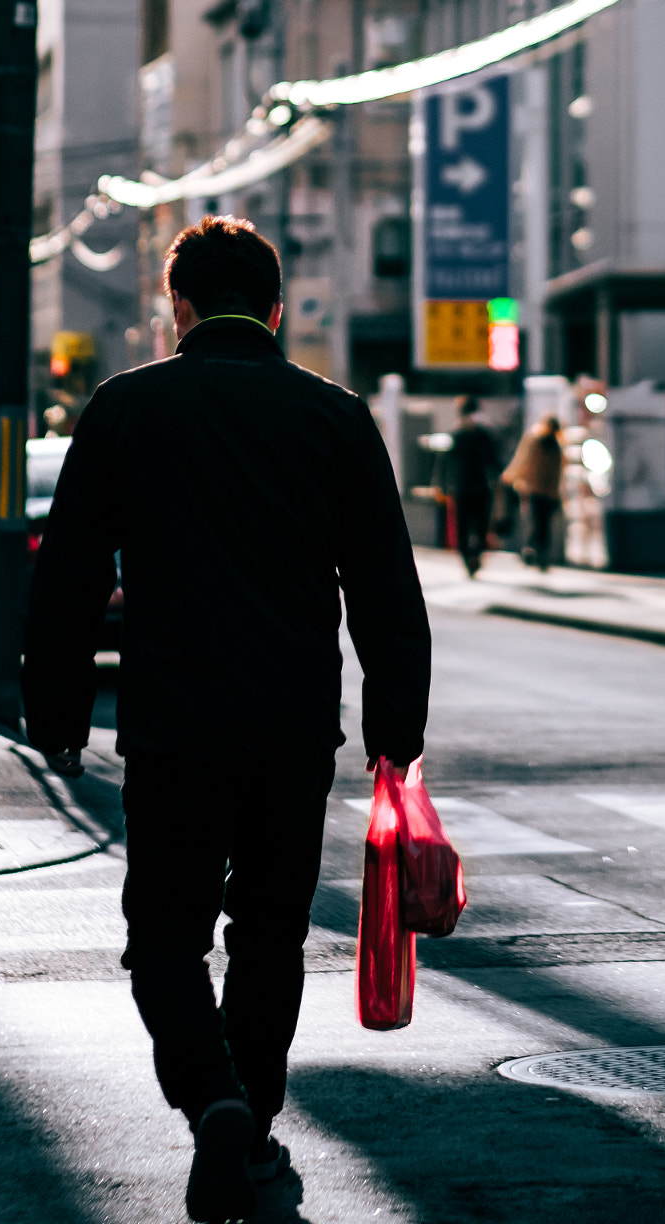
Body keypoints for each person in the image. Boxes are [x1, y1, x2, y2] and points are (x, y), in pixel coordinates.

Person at [22, 214, 431, 1224]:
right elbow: (386, 587)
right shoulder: (334, 419)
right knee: (269, 934)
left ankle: (209, 1097)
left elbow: (68, 578)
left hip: (172, 725)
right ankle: (251, 1102)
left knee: (162, 934)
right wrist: (398, 730)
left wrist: (57, 711)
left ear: (179, 308)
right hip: (294, 726)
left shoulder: (125, 408)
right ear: (277, 308)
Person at [501, 412, 564, 569]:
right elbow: (523, 460)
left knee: (542, 522)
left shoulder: (553, 444)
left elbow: (557, 470)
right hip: (535, 489)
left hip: (545, 490)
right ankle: (534, 550)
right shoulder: (538, 440)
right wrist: (513, 476)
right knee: (537, 520)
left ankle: (537, 551)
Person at [448, 395, 498, 577]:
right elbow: (493, 461)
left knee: (470, 526)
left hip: (465, 487)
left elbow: (446, 463)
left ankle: (471, 557)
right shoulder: (479, 434)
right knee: (476, 525)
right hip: (477, 487)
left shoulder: (461, 435)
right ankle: (472, 557)